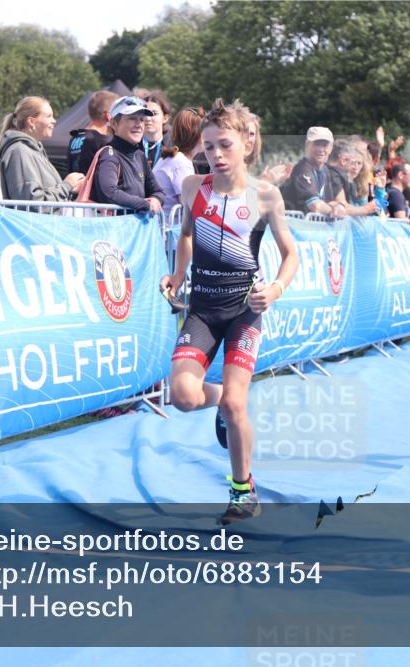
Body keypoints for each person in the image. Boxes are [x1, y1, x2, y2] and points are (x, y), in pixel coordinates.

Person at [159, 99, 299, 525]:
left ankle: (243, 490)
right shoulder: (192, 188)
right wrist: (178, 273)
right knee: (182, 396)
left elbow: (291, 255)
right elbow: (186, 235)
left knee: (237, 404)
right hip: (202, 308)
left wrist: (274, 289)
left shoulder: (265, 195)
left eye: (224, 145)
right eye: (208, 146)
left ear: (246, 144)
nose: (215, 155)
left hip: (244, 310)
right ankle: (222, 401)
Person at [0, 96, 85, 202]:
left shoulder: (32, 151)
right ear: (31, 121)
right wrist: (67, 185)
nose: (54, 121)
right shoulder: (19, 151)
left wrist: (71, 190)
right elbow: (30, 201)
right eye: (49, 116)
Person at [89, 96, 164, 213]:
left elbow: (158, 191)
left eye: (142, 119)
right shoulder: (109, 154)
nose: (139, 124)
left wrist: (156, 199)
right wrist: (144, 204)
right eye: (132, 118)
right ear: (114, 123)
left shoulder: (139, 155)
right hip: (114, 229)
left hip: (136, 230)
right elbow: (109, 192)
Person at [280, 127, 345, 216]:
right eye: (317, 144)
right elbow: (315, 206)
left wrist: (338, 206)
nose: (321, 149)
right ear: (307, 145)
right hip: (292, 226)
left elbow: (328, 201)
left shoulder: (325, 171)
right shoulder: (302, 169)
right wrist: (334, 212)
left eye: (325, 145)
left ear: (330, 148)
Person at [153, 107, 204, 218]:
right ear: (199, 136)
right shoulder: (180, 163)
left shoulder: (174, 158)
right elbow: (190, 204)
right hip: (168, 231)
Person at [68, 90, 118, 175]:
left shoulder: (76, 137)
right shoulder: (102, 141)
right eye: (118, 112)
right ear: (108, 116)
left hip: (75, 187)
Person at [141, 91, 172, 170]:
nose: (148, 118)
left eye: (154, 113)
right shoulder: (132, 146)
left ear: (165, 118)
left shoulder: (174, 147)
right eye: (145, 113)